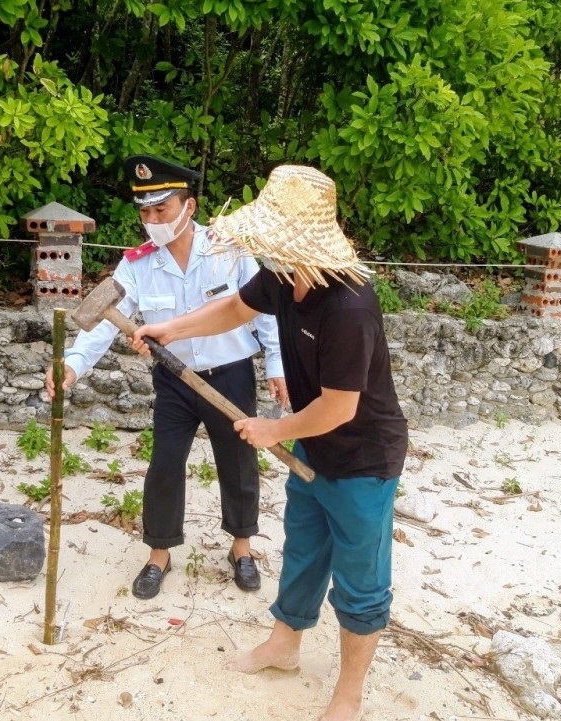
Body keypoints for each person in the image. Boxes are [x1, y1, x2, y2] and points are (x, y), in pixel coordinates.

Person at [131, 165, 407, 721]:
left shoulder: (349, 305)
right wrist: (172, 329)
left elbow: (340, 407)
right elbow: (236, 308)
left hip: (362, 459)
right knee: (304, 551)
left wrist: (273, 429)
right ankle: (284, 646)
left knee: (360, 579)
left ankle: (348, 695)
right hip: (314, 445)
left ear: (298, 239)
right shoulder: (285, 276)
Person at [45, 154, 288, 599]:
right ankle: (159, 552)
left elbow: (263, 309)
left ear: (189, 207)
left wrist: (276, 365)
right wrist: (75, 364)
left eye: (162, 210)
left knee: (237, 462)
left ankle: (242, 547)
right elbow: (103, 318)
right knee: (164, 466)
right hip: (174, 382)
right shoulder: (137, 265)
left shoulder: (228, 249)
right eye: (145, 212)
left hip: (230, 374)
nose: (152, 220)